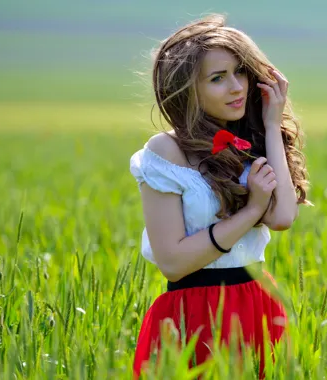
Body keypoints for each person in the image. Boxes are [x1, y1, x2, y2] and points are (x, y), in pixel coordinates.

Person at [129, 13, 310, 379]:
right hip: (190, 313)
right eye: (217, 78)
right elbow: (174, 263)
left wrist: (272, 125)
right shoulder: (165, 152)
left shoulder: (248, 142)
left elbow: (282, 218)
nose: (236, 87)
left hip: (256, 305)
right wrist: (250, 211)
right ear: (186, 90)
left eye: (240, 72)